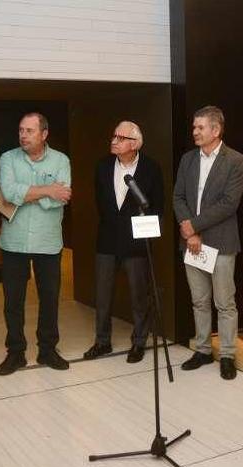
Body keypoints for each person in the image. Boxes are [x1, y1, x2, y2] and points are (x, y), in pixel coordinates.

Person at [0, 112, 72, 375]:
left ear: (44, 134)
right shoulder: (8, 158)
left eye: (29, 131)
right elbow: (9, 193)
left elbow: (58, 200)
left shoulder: (61, 160)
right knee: (12, 301)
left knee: (49, 299)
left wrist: (30, 193)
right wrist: (48, 189)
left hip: (48, 242)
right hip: (13, 242)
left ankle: (48, 350)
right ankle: (15, 353)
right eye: (21, 130)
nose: (23, 135)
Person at [173, 105, 243, 380]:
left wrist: (195, 225)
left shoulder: (235, 160)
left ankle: (227, 354)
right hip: (191, 242)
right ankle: (203, 349)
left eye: (200, 127)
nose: (195, 132)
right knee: (199, 300)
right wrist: (189, 232)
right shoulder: (187, 159)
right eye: (194, 127)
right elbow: (177, 197)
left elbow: (229, 204)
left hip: (222, 243)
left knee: (224, 303)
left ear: (216, 130)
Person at [83, 121, 164, 363]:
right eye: (114, 135)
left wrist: (145, 229)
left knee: (139, 295)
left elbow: (157, 206)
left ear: (135, 143)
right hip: (107, 239)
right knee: (103, 294)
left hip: (137, 243)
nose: (113, 141)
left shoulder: (151, 168)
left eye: (120, 137)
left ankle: (139, 342)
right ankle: (102, 341)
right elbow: (101, 204)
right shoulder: (102, 166)